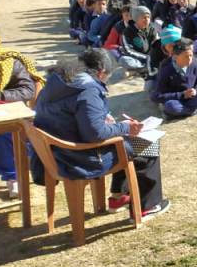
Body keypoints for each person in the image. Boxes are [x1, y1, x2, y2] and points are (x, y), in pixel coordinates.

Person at [33, 48, 170, 220]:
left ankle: (118, 197)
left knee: (123, 140)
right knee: (147, 144)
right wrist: (125, 127)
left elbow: (69, 113)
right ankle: (147, 207)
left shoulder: (59, 80)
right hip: (79, 158)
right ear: (101, 72)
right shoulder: (88, 89)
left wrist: (103, 119)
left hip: (55, 151)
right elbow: (95, 134)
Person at [0, 25, 43, 199]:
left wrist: (0, 94)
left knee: (6, 131)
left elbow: (27, 90)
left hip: (2, 111)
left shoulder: (9, 62)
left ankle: (12, 176)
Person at [150, 39, 197, 118]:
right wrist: (182, 95)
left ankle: (184, 111)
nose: (190, 59)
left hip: (193, 98)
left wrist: (196, 90)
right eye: (186, 56)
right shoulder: (166, 69)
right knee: (171, 106)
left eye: (191, 55)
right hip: (177, 100)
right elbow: (156, 96)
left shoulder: (193, 63)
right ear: (175, 56)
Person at [119, 6, 159, 77]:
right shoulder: (127, 32)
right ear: (136, 19)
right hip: (137, 59)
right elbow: (128, 51)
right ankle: (145, 69)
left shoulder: (152, 29)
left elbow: (157, 45)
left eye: (148, 17)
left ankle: (137, 72)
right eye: (144, 17)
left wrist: (153, 56)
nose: (147, 20)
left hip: (151, 58)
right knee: (123, 60)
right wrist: (146, 57)